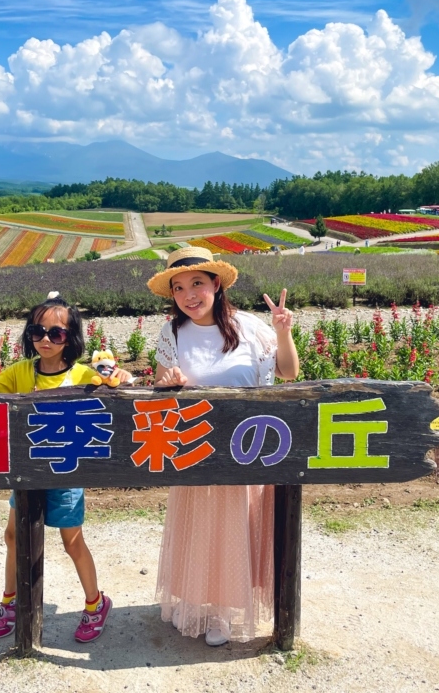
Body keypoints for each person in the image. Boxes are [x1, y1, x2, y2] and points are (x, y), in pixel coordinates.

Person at [147, 247, 300, 647]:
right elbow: (161, 387)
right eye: (179, 288)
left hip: (246, 449)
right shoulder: (172, 333)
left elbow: (287, 373)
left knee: (236, 528)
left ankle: (223, 611)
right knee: (202, 528)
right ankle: (203, 601)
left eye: (197, 283)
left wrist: (283, 331)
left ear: (216, 284)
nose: (188, 295)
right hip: (196, 449)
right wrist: (169, 383)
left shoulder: (248, 327)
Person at [0, 292, 131, 643]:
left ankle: (95, 603)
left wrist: (120, 377)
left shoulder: (84, 374)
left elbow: (121, 393)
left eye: (56, 333)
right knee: (13, 536)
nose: (45, 339)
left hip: (67, 472)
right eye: (37, 331)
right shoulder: (18, 372)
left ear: (70, 338)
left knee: (72, 541)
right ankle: (11, 603)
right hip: (28, 471)